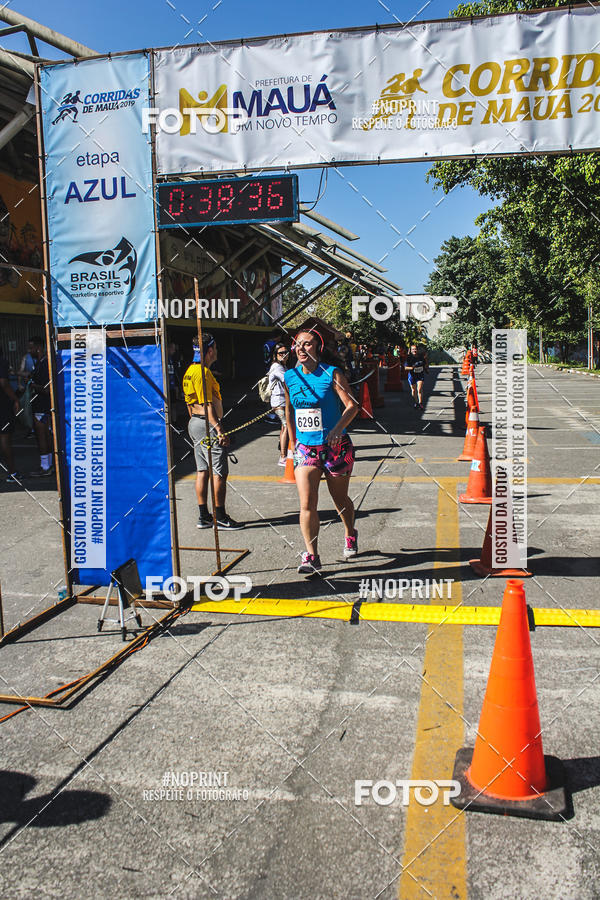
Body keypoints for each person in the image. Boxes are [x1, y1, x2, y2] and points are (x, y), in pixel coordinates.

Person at [284, 328, 359, 575]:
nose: (301, 348)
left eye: (307, 344)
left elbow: (352, 406)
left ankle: (350, 531)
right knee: (307, 503)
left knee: (340, 501)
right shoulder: (290, 377)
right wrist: (293, 444)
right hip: (306, 449)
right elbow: (289, 413)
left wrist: (338, 428)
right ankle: (312, 556)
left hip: (336, 447)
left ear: (317, 348)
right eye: (297, 344)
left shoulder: (331, 374)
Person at [183, 333, 243, 530]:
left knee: (203, 470)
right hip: (207, 425)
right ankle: (221, 516)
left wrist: (195, 424)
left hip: (196, 423)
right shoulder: (202, 373)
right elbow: (207, 404)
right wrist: (219, 429)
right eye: (215, 348)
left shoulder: (190, 372)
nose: (217, 351)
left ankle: (204, 516)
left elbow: (189, 405)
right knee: (219, 472)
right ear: (209, 351)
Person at [29, 336, 54, 477]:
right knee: (46, 436)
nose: (29, 350)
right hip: (41, 406)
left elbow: (46, 389)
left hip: (42, 407)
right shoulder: (40, 362)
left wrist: (33, 385)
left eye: (31, 347)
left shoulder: (44, 364)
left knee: (42, 437)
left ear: (38, 348)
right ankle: (49, 465)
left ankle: (45, 466)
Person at [268, 342, 290, 466]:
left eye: (286, 352)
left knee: (284, 426)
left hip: (283, 401)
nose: (284, 355)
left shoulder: (283, 366)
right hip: (279, 401)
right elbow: (287, 379)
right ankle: (283, 457)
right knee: (286, 426)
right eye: (281, 353)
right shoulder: (277, 367)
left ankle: (284, 451)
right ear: (275, 355)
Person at [0, 348, 20, 482]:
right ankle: (12, 473)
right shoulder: (2, 361)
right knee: (5, 438)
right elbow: (4, 383)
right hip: (2, 405)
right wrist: (15, 399)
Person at [405, 342, 428, 409]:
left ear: (417, 350)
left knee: (419, 389)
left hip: (420, 375)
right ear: (411, 350)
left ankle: (420, 403)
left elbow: (425, 365)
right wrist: (412, 367)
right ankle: (416, 402)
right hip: (412, 376)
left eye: (415, 349)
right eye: (413, 349)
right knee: (413, 390)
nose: (414, 350)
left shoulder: (421, 357)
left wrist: (426, 369)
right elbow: (405, 368)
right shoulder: (409, 358)